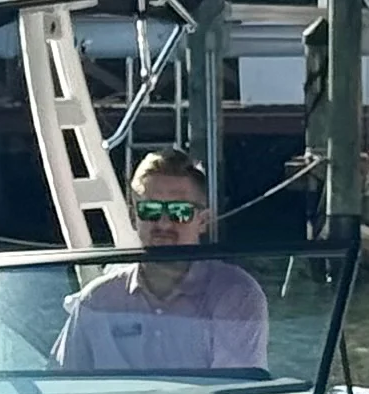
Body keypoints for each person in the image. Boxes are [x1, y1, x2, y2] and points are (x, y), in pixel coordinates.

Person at [54, 150, 269, 368]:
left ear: (203, 221)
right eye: (150, 210)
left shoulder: (237, 295)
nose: (164, 224)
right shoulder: (96, 301)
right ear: (132, 217)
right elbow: (63, 385)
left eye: (179, 212)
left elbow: (235, 392)